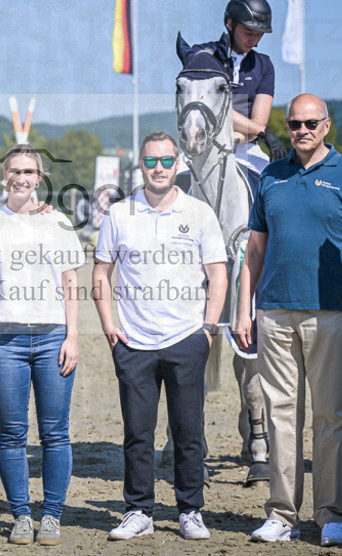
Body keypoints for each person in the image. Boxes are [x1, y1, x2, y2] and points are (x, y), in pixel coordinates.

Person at [234, 93, 342, 547]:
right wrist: (244, 308)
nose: (302, 131)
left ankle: (330, 514)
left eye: (311, 123)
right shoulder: (270, 176)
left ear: (327, 125)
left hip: (334, 313)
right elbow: (253, 249)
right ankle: (281, 513)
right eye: (294, 124)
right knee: (280, 416)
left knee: (330, 415)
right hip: (274, 312)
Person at [93, 131, 227, 542]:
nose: (158, 169)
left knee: (188, 432)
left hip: (187, 337)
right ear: (140, 164)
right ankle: (139, 510)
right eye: (151, 161)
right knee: (137, 433)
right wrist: (108, 325)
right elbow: (101, 272)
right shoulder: (119, 214)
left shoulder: (200, 213)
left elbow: (217, 272)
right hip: (133, 342)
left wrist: (207, 328)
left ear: (178, 164)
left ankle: (190, 511)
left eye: (166, 161)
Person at [0, 144, 83, 547]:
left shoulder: (58, 222)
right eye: (15, 171)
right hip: (6, 342)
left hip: (54, 335)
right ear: (5, 176)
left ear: (40, 178)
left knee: (55, 432)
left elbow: (71, 282)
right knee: (11, 433)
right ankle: (21, 515)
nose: (22, 178)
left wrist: (73, 336)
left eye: (30, 171)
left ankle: (52, 515)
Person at [190, 0, 287, 177]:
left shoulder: (264, 65)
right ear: (230, 24)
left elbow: (257, 123)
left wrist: (235, 138)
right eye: (249, 33)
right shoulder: (202, 56)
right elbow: (212, 107)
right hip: (201, 145)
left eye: (259, 35)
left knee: (271, 185)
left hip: (245, 148)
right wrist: (262, 131)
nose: (254, 40)